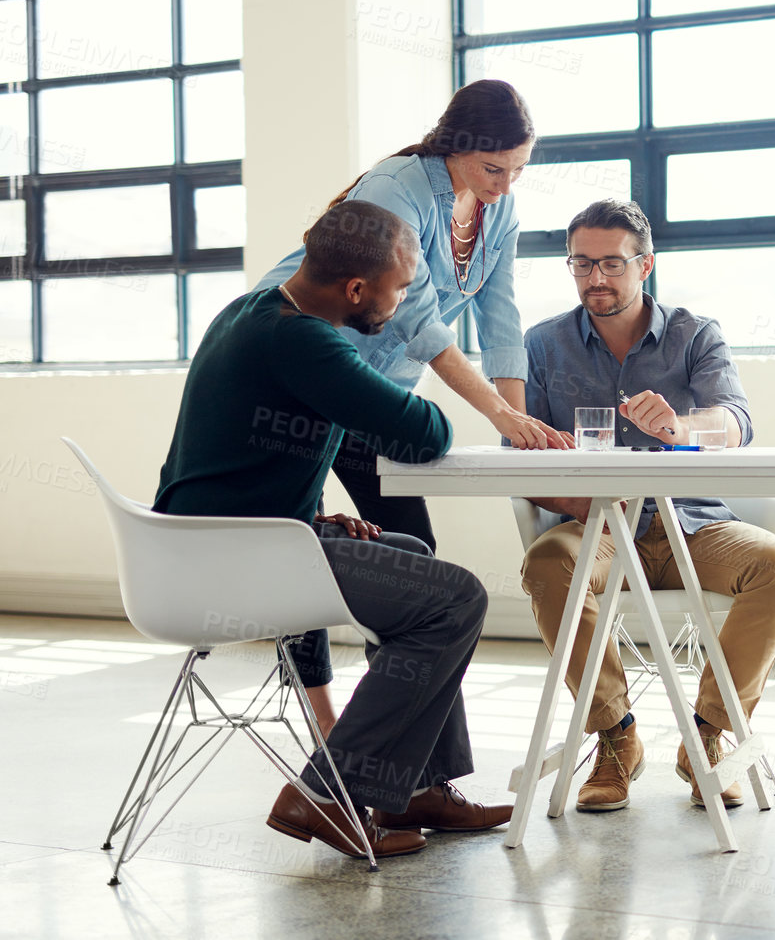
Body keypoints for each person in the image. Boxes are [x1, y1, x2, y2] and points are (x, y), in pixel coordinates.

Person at [154, 200, 511, 860]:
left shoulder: (248, 311)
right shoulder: (303, 339)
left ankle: (416, 787)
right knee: (457, 597)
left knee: (409, 553)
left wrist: (313, 518)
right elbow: (427, 431)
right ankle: (325, 792)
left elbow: (232, 466)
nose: (403, 301)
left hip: (223, 545)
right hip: (237, 561)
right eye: (400, 287)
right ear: (355, 289)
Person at [254, 79, 571, 733]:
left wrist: (519, 436)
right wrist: (500, 415)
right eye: (494, 168)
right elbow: (421, 325)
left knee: (414, 563)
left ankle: (408, 756)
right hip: (300, 377)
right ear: (455, 146)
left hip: (374, 396)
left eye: (519, 171)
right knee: (300, 551)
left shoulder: (497, 209)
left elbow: (501, 314)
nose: (506, 185)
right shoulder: (395, 189)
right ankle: (331, 741)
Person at [517, 199, 775, 812]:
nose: (596, 277)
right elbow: (523, 455)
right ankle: (616, 736)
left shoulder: (694, 334)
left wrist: (681, 427)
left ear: (645, 264)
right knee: (547, 564)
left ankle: (708, 734)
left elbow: (737, 423)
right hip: (594, 525)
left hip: (692, 523)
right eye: (581, 264)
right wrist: (582, 500)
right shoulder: (542, 345)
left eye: (612, 264)